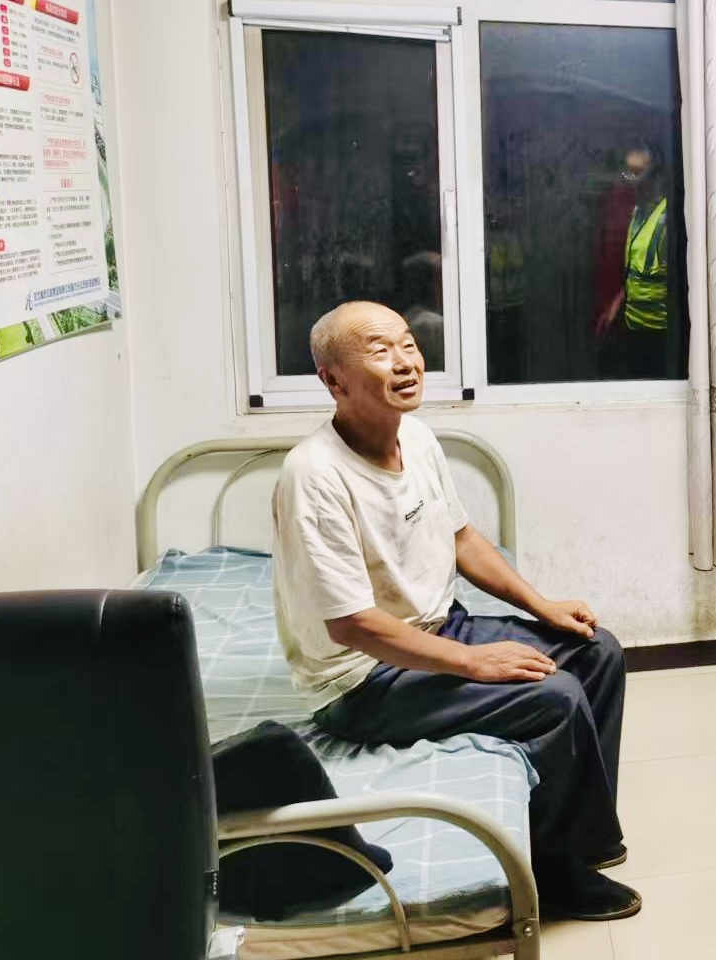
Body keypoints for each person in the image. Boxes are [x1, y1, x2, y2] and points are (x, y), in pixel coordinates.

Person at [270, 301, 641, 921]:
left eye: (408, 344)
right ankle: (552, 870)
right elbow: (351, 625)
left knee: (596, 651)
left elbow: (462, 539)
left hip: (442, 628)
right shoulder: (314, 476)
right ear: (333, 380)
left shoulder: (415, 437)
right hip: (362, 681)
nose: (405, 361)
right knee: (555, 697)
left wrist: (543, 607)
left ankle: (585, 835)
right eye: (380, 350)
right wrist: (473, 663)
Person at [593, 146, 673, 380]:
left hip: (659, 328)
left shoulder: (667, 213)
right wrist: (614, 304)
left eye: (638, 172)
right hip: (627, 319)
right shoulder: (630, 208)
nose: (632, 179)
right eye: (627, 172)